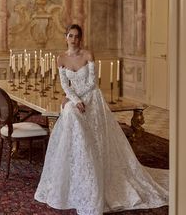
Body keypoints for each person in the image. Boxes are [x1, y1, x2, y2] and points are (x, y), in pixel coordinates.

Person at [34, 24, 168, 215]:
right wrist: (73, 99)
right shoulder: (61, 58)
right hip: (76, 99)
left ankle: (93, 174)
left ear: (80, 39)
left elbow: (91, 83)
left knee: (77, 118)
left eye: (77, 36)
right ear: (66, 37)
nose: (73, 39)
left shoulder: (88, 55)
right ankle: (77, 173)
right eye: (70, 36)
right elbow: (64, 84)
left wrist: (77, 99)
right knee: (71, 113)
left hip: (91, 98)